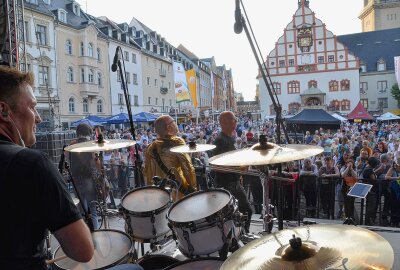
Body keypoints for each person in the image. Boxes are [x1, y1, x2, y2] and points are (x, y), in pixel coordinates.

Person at [0, 67, 94, 269]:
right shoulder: (32, 164)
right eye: (33, 107)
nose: (38, 118)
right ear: (3, 111)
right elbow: (83, 250)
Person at [211, 111, 252, 233]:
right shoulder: (220, 140)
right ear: (224, 122)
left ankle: (243, 234)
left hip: (235, 182)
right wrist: (239, 169)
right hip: (225, 185)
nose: (236, 122)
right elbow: (216, 166)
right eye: (234, 119)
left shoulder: (230, 138)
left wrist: (238, 173)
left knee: (246, 210)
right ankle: (234, 238)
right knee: (230, 216)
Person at [144, 115, 197, 200]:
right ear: (169, 127)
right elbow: (187, 168)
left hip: (159, 190)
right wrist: (193, 188)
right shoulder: (177, 142)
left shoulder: (151, 147)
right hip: (176, 189)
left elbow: (147, 172)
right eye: (174, 122)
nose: (176, 124)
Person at [69, 123, 102, 230]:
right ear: (88, 132)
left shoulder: (71, 145)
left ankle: (84, 235)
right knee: (93, 211)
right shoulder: (91, 145)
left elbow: (68, 163)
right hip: (89, 180)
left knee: (82, 212)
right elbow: (96, 162)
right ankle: (95, 235)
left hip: (76, 181)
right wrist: (101, 172)